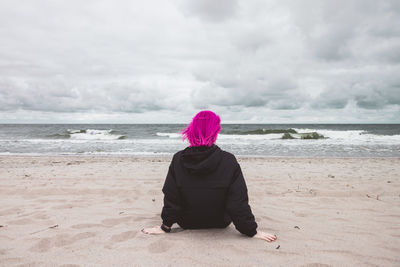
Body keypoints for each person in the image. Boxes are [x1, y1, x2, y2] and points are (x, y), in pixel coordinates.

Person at [141, 110, 277, 243]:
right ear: (215, 131)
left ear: (192, 129)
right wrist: (251, 231)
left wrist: (166, 226)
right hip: (220, 222)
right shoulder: (228, 160)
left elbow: (172, 197)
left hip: (187, 222)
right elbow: (237, 201)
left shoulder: (178, 159)